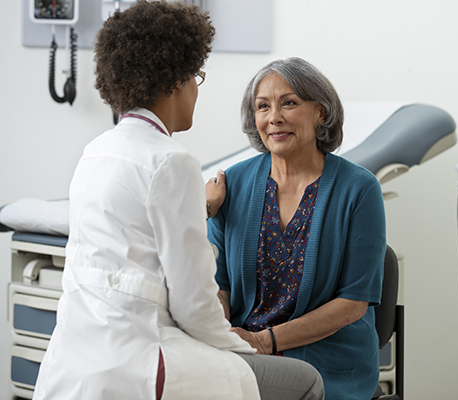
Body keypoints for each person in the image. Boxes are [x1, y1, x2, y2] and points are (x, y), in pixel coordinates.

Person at [33, 3, 323, 400]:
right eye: (196, 77)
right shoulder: (172, 160)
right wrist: (244, 349)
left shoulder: (96, 151)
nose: (195, 90)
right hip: (140, 361)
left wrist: (202, 208)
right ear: (174, 80)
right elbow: (194, 307)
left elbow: (141, 242)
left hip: (76, 359)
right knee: (305, 382)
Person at [208, 57, 387, 400]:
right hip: (245, 356)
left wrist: (266, 341)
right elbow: (218, 285)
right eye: (263, 106)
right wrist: (223, 336)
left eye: (288, 103)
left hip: (326, 360)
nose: (274, 117)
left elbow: (353, 303)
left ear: (321, 112)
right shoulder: (234, 185)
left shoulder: (360, 189)